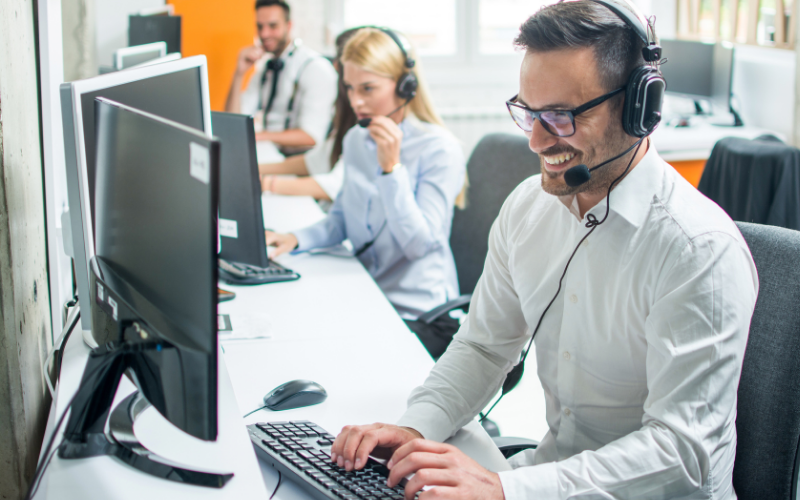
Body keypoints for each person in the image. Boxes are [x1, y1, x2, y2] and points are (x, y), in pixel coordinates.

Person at [328, 2, 759, 499]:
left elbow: (680, 455)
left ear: (640, 107)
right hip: (547, 478)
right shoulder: (529, 207)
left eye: (559, 116)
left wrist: (506, 490)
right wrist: (415, 428)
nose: (535, 140)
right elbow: (484, 347)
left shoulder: (697, 250)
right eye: (529, 112)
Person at [266, 28, 467, 359]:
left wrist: (392, 171)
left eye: (368, 88)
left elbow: (418, 245)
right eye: (349, 88)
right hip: (367, 295)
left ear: (406, 86)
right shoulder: (356, 141)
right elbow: (342, 219)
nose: (356, 101)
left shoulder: (439, 150)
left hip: (420, 316)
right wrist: (294, 238)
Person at [259, 28, 362, 207]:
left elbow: (335, 185)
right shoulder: (349, 119)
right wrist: (253, 169)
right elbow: (315, 161)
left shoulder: (367, 122)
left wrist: (266, 183)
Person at [225, 0, 337, 161]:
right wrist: (239, 74)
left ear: (289, 26)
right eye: (260, 26)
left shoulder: (315, 68)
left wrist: (258, 136)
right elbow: (233, 121)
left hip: (300, 161)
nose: (264, 34)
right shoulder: (265, 69)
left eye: (273, 26)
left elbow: (311, 136)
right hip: (270, 152)